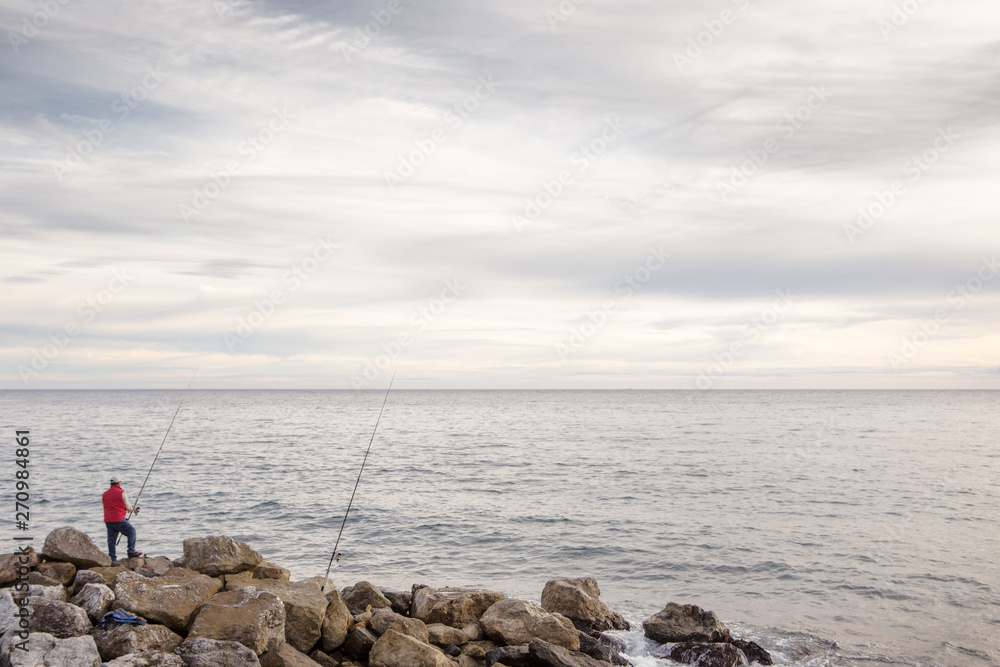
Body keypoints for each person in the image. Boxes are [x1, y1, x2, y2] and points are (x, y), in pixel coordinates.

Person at [103, 476, 143, 562]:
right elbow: (128, 508)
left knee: (111, 539)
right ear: (118, 483)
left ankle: (112, 558)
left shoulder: (105, 494)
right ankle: (131, 551)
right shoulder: (121, 492)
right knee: (131, 531)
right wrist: (134, 508)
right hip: (118, 518)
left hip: (108, 519)